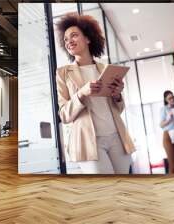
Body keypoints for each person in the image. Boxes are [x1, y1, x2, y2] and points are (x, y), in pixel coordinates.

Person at [55, 13, 135, 174]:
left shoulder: (105, 69)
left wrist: (117, 95)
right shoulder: (63, 73)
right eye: (65, 39)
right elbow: (63, 115)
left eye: (74, 35)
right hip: (87, 142)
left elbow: (118, 110)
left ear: (88, 39)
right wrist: (81, 94)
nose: (69, 41)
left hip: (117, 137)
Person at [159, 90, 174, 174]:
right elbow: (161, 125)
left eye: (173, 97)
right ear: (166, 100)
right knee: (173, 166)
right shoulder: (164, 109)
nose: (172, 99)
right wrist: (169, 119)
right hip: (167, 136)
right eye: (169, 98)